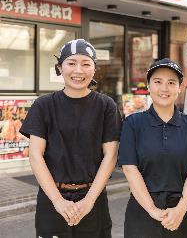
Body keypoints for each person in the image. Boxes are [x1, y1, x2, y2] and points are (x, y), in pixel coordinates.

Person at [19, 39, 122, 238]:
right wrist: (58, 201)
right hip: (52, 198)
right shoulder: (43, 105)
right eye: (71, 63)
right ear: (60, 67)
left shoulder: (106, 106)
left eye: (86, 64)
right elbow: (35, 156)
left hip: (94, 198)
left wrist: (89, 200)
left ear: (94, 69)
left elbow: (111, 156)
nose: (78, 70)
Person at [118, 58, 187, 238]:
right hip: (142, 209)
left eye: (171, 83)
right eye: (158, 82)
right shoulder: (133, 124)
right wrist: (152, 210)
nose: (164, 88)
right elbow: (130, 169)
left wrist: (180, 209)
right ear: (148, 86)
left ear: (179, 87)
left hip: (182, 210)